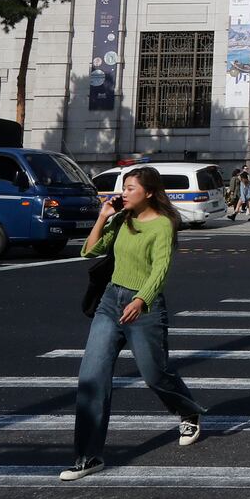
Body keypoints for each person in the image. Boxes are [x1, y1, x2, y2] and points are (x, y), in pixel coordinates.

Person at [63, 166, 203, 482]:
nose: (123, 193)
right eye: (123, 188)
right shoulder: (123, 219)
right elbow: (90, 250)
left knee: (155, 374)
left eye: (130, 188)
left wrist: (142, 300)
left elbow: (160, 270)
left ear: (149, 192)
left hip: (145, 307)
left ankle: (187, 410)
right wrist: (103, 216)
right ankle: (88, 457)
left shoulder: (164, 226)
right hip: (110, 302)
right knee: (92, 377)